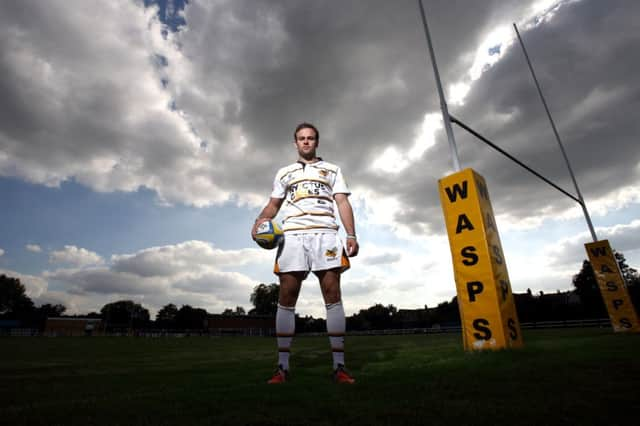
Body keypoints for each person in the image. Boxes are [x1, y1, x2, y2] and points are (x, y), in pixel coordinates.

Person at [251, 122, 359, 384]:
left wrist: (351, 234)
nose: (306, 142)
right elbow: (273, 204)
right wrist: (258, 221)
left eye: (310, 138)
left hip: (326, 234)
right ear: (295, 143)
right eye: (301, 138)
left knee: (332, 294)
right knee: (286, 296)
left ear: (317, 142)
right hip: (293, 236)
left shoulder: (332, 169)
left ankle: (339, 367)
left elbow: (342, 201)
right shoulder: (285, 173)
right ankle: (282, 368)